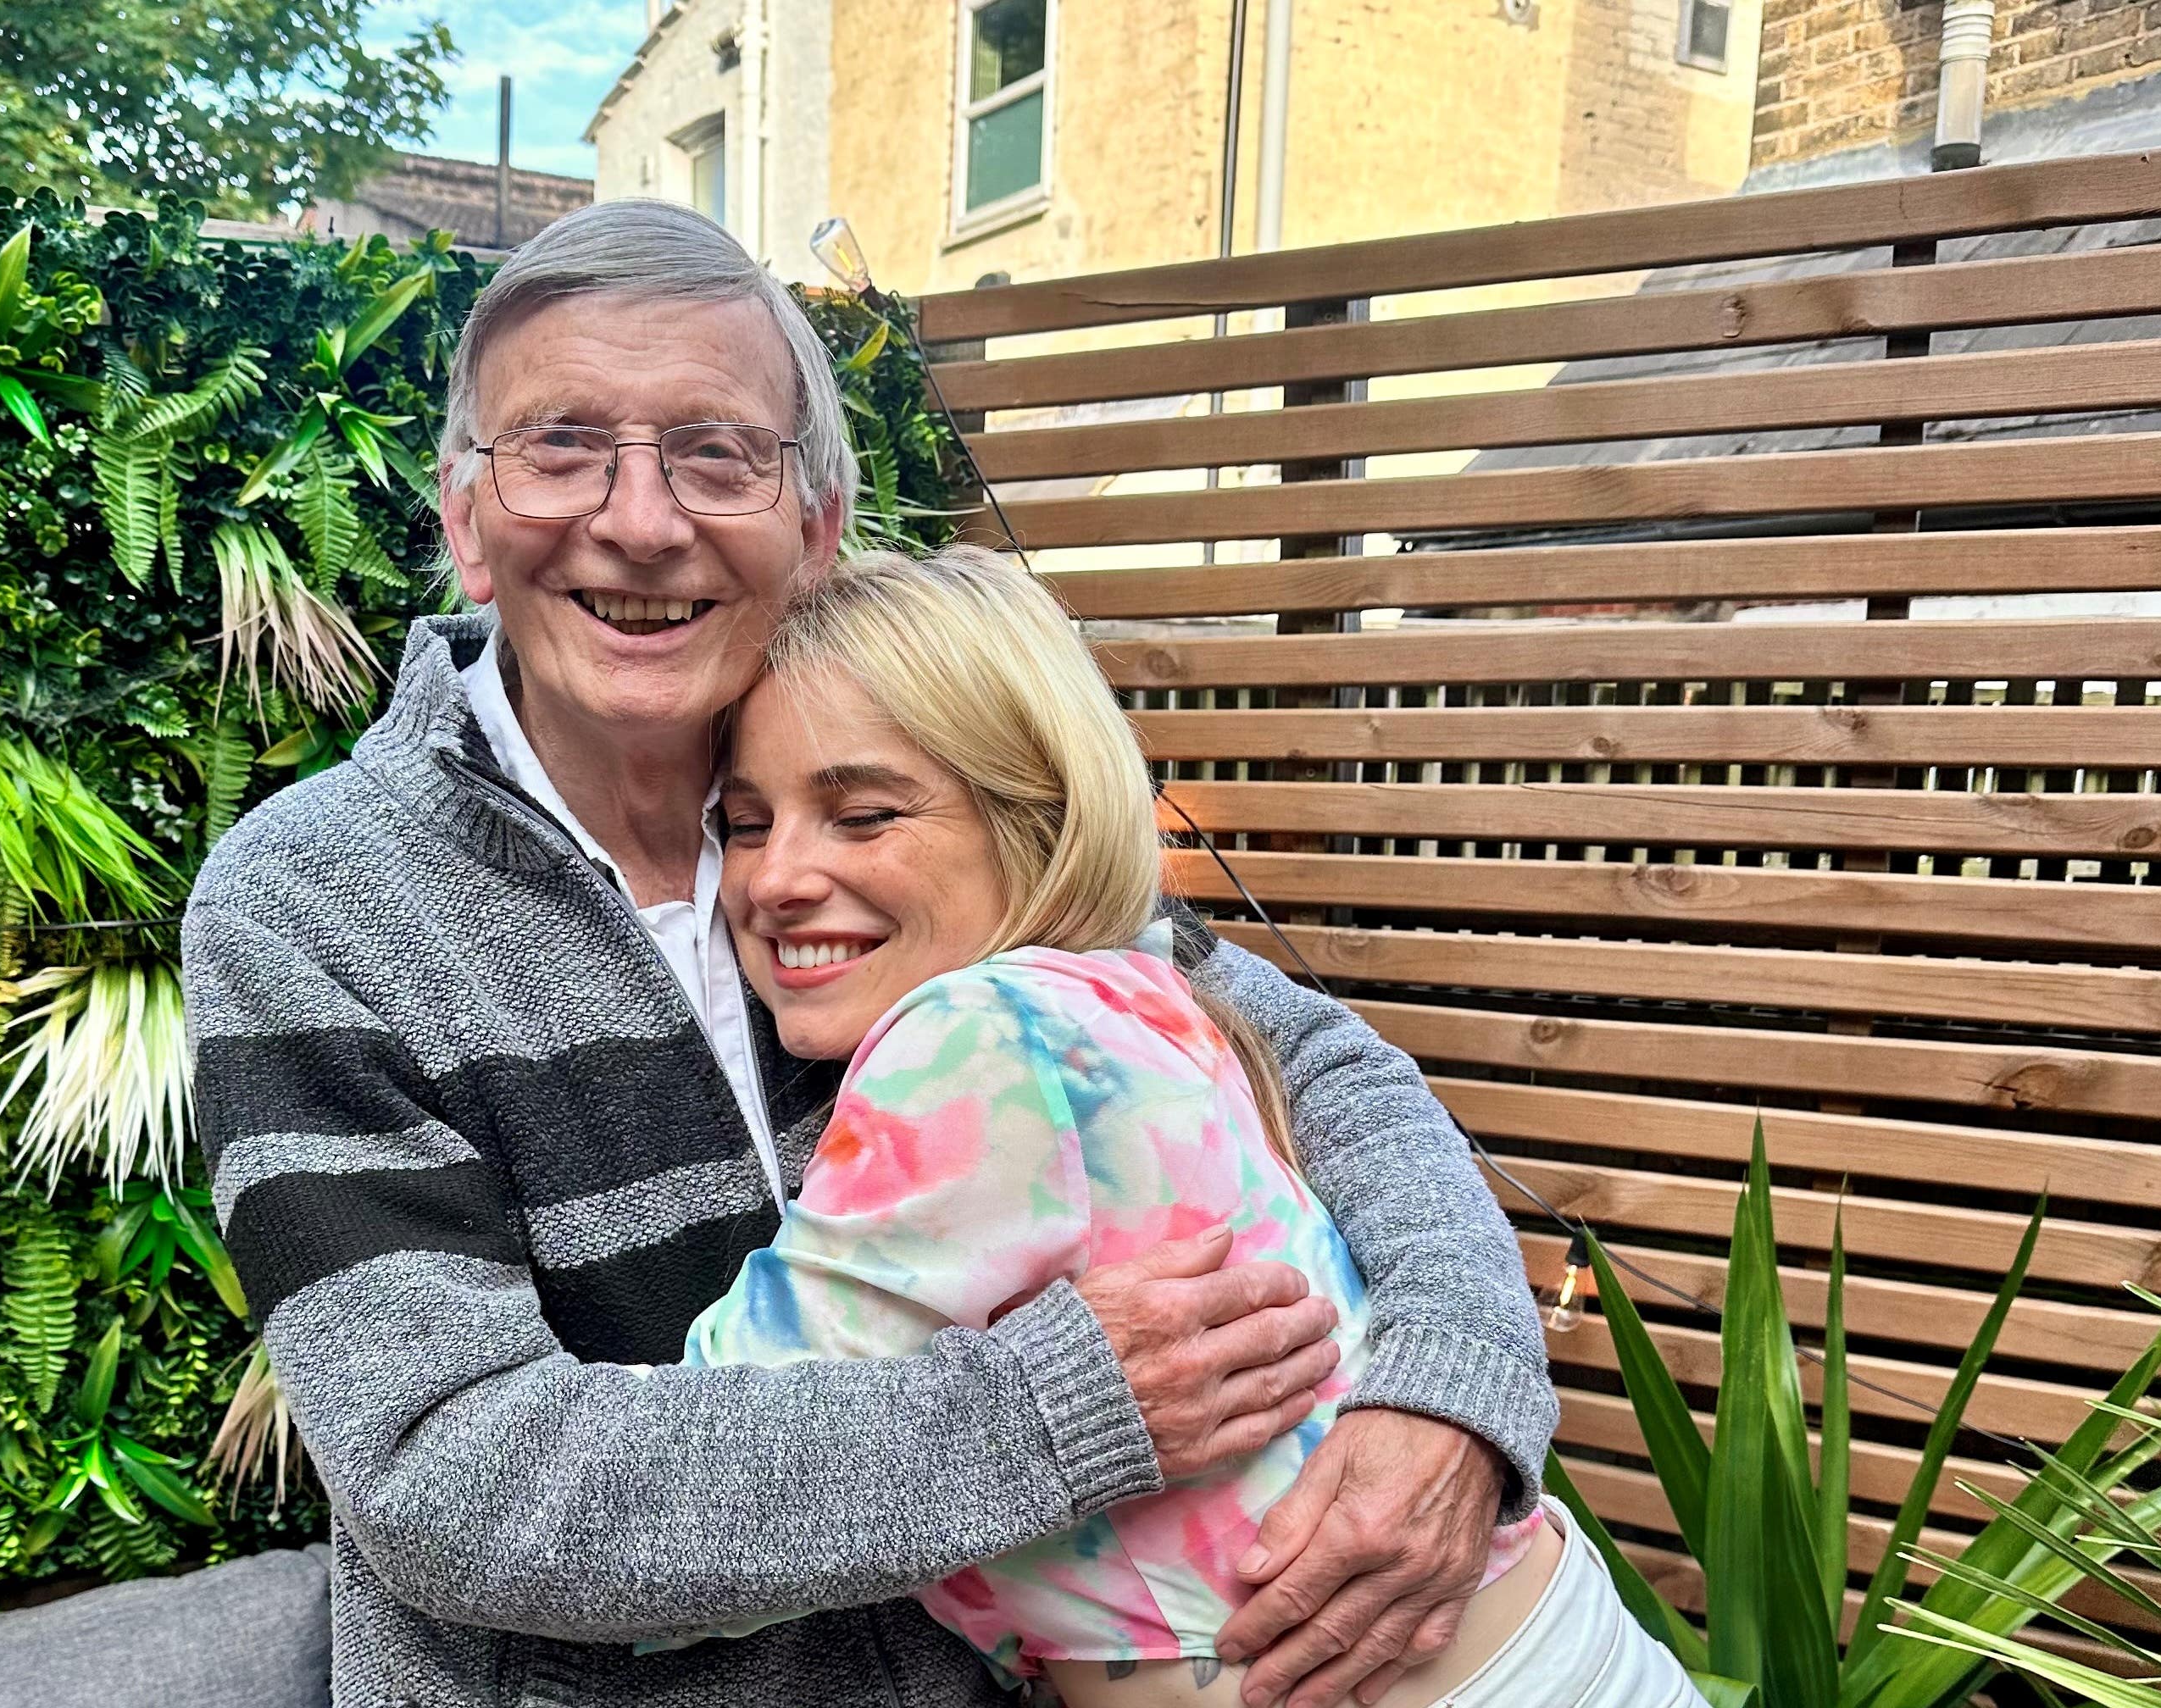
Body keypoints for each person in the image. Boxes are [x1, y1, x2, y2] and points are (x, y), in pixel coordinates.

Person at [182, 199, 1554, 1708]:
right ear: (464, 518)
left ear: (818, 524)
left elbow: (1319, 1063)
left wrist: (1455, 1393)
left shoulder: (892, 792)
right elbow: (452, 1480)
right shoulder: (318, 902)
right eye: (561, 444)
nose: (640, 520)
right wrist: (1043, 1417)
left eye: (717, 453)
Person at [680, 546, 1703, 1708]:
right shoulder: (1136, 984)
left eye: (863, 815)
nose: (774, 880)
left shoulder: (975, 1036)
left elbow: (699, 1508)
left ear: (1036, 814)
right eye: (746, 824)